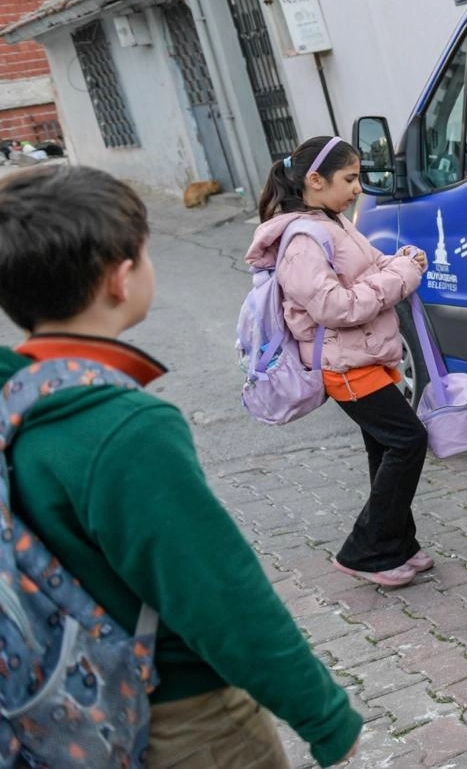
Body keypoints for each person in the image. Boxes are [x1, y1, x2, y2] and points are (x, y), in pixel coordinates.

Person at [0, 165, 361, 768]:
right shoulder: (122, 428)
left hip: (73, 709)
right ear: (120, 279)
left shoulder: (17, 402)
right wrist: (324, 716)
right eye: (145, 253)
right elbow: (218, 591)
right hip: (185, 719)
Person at [247, 134, 430, 588]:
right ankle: (365, 551)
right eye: (349, 178)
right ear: (315, 180)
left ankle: (397, 546)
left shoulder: (333, 222)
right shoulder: (302, 241)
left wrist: (402, 261)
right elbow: (336, 307)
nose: (357, 188)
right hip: (344, 365)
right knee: (407, 441)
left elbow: (373, 266)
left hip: (364, 356)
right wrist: (403, 275)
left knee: (385, 447)